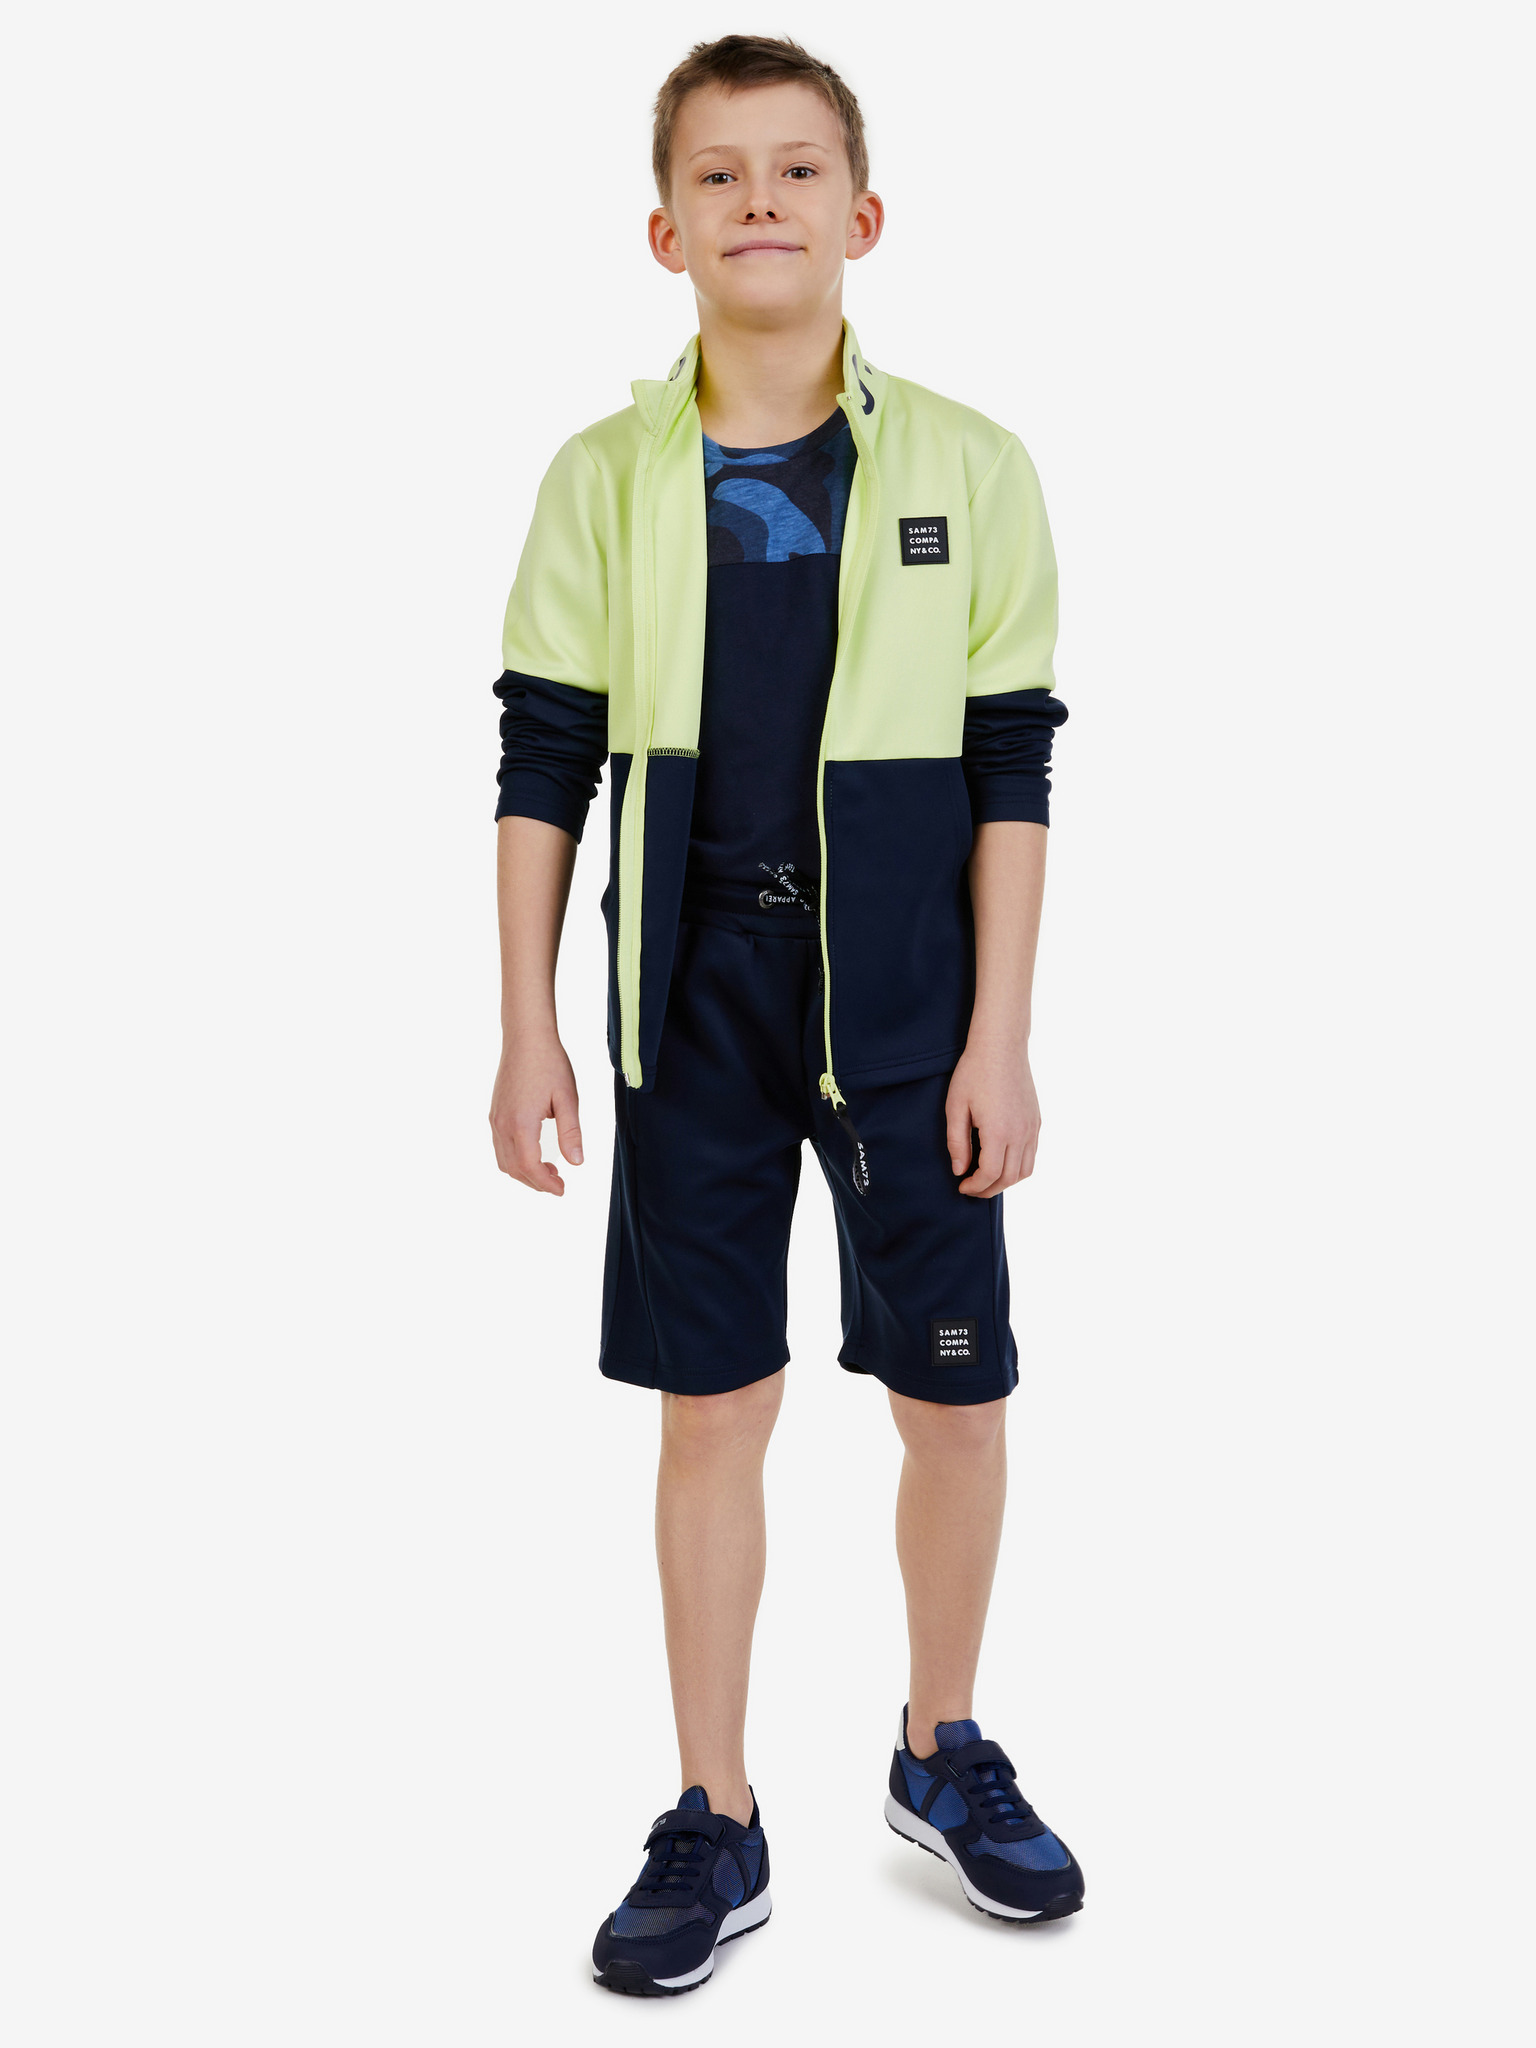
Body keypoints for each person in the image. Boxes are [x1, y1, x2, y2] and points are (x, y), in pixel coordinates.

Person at [489, 33, 1083, 1996]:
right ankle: (714, 1811)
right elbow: (545, 757)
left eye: (800, 168)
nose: (763, 199)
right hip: (691, 1003)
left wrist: (1001, 1033)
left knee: (957, 1395)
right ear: (665, 232)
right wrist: (528, 1023)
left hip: (910, 1006)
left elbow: (1010, 765)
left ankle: (942, 1744)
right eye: (721, 174)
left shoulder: (971, 467)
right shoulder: (604, 481)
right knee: (713, 1403)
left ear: (865, 215)